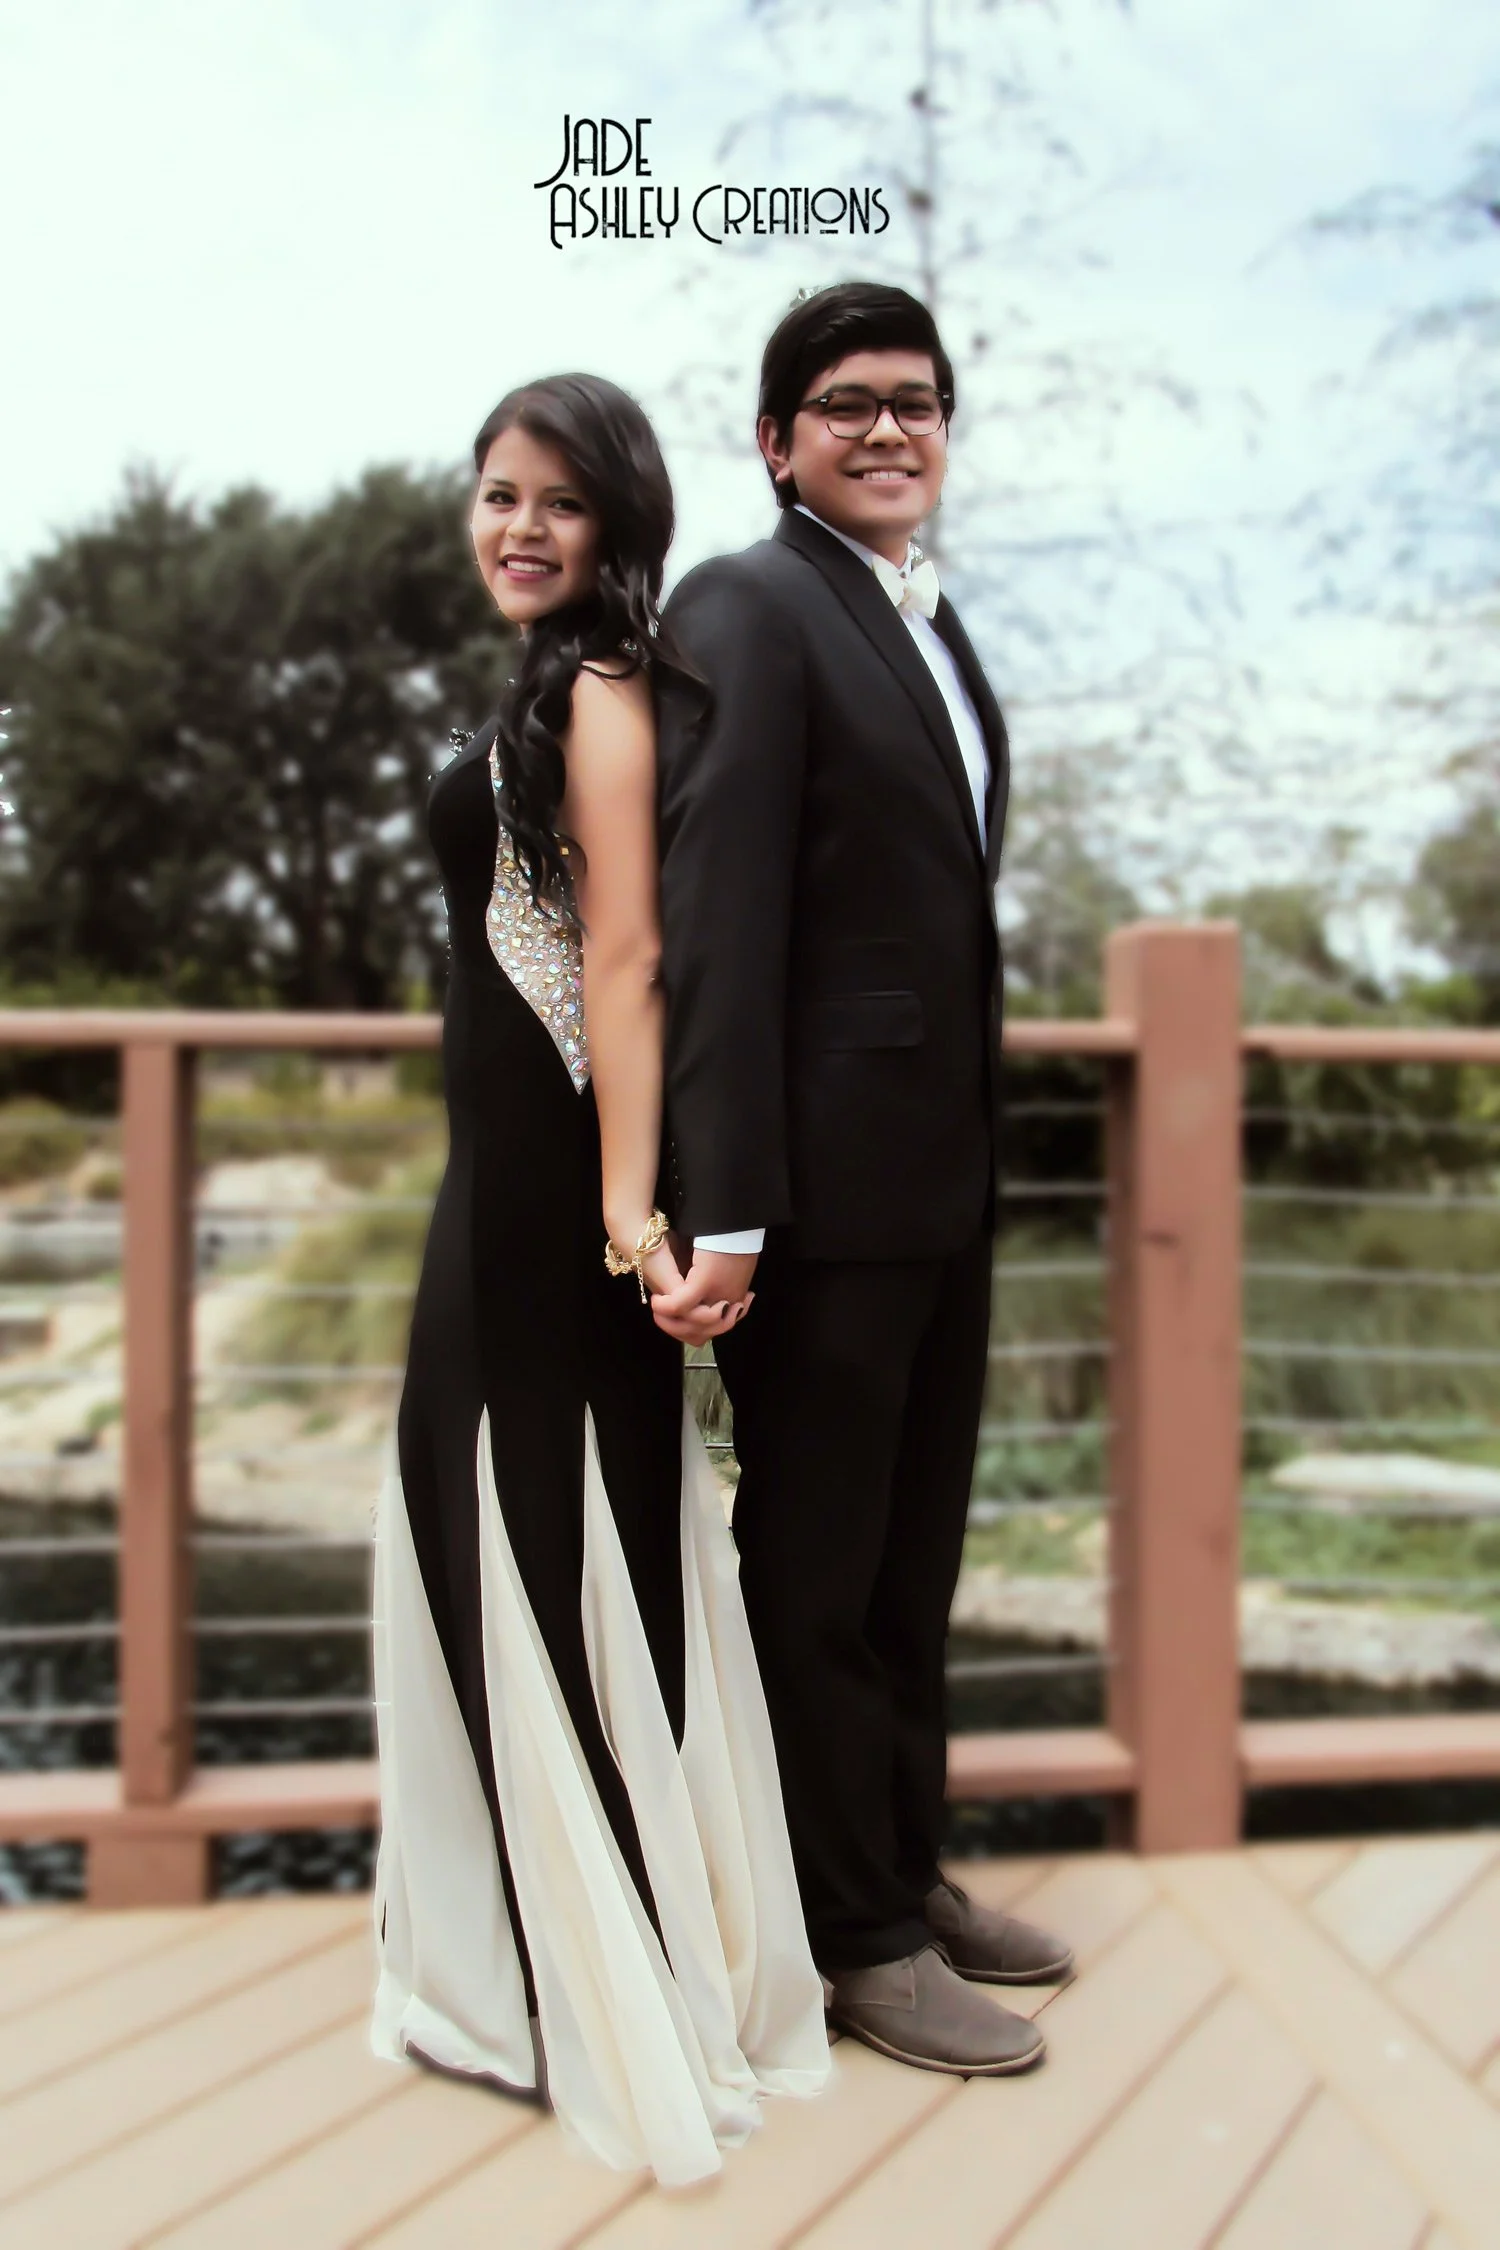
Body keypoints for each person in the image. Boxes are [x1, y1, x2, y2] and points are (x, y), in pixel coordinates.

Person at [370, 373, 830, 2186]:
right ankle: (519, 1956)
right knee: (460, 1519)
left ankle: (607, 1976)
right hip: (488, 1194)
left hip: (561, 1204)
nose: (517, 527)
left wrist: (634, 1207)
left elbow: (627, 958)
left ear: (616, 518)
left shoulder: (607, 689)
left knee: (571, 1562)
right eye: (496, 494)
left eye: (556, 500)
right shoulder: (537, 691)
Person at [653, 284, 1074, 2077]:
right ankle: (856, 1938)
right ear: (777, 442)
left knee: (914, 1562)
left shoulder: (933, 621)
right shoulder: (748, 603)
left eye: (916, 402)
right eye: (845, 405)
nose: (889, 428)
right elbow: (722, 907)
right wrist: (729, 1196)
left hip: (940, 1187)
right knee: (817, 1565)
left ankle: (903, 1863)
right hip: (818, 1199)